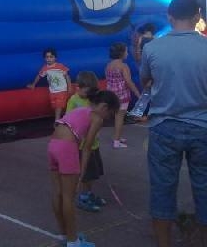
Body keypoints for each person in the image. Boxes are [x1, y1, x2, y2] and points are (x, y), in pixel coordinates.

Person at [140, 0, 207, 247]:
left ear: (169, 17)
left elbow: (146, 81)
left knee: (162, 190)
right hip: (203, 127)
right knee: (204, 190)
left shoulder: (152, 48)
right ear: (197, 16)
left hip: (163, 127)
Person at [49, 89, 119, 247]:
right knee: (69, 197)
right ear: (104, 107)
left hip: (53, 144)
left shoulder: (81, 109)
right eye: (111, 114)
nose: (109, 118)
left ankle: (64, 234)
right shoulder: (97, 118)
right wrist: (81, 172)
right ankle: (73, 242)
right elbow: (87, 147)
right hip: (67, 148)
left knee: (58, 193)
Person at [65, 72, 106, 213]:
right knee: (85, 173)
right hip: (82, 146)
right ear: (78, 87)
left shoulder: (92, 101)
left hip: (93, 144)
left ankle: (88, 193)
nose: (88, 95)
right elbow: (68, 121)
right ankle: (82, 197)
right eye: (86, 91)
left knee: (92, 173)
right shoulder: (74, 101)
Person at [105, 42, 141, 148]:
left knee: (117, 117)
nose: (127, 53)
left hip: (111, 95)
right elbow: (129, 82)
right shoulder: (123, 66)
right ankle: (116, 141)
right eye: (126, 51)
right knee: (120, 118)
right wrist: (137, 93)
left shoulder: (109, 65)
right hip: (122, 96)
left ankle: (117, 137)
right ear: (121, 53)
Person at [28, 48, 72, 121]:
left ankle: (57, 120)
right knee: (56, 106)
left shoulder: (60, 66)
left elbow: (67, 76)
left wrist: (69, 87)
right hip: (52, 91)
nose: (49, 59)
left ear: (55, 58)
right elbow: (39, 76)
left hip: (62, 90)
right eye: (47, 57)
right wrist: (33, 84)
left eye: (51, 57)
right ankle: (62, 118)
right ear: (44, 58)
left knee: (59, 106)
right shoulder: (45, 68)